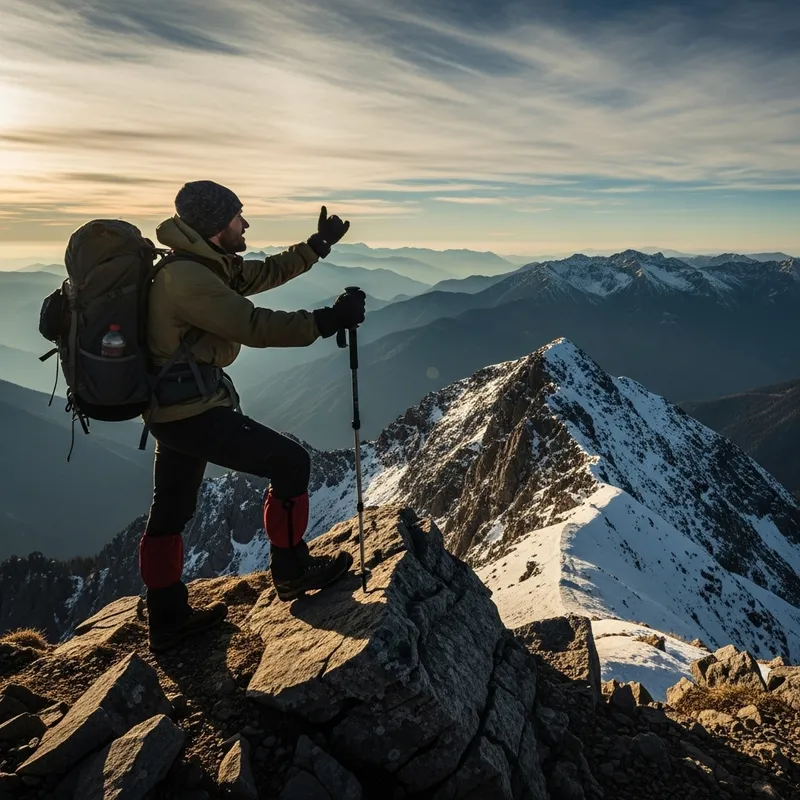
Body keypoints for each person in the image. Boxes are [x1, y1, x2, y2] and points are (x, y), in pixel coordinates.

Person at [140, 180, 366, 652]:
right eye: (238, 216)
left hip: (175, 408)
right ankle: (291, 570)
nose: (246, 223)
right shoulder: (189, 279)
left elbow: (260, 275)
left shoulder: (203, 263)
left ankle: (167, 617)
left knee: (171, 512)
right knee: (289, 463)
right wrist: (327, 321)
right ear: (215, 225)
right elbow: (253, 325)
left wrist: (315, 247)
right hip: (191, 412)